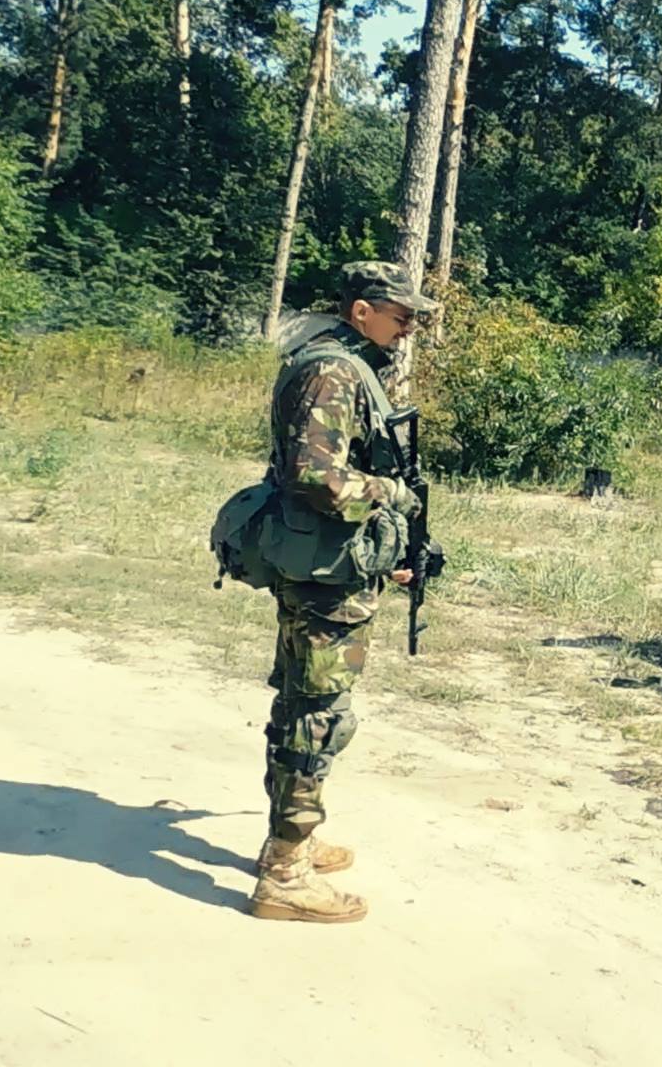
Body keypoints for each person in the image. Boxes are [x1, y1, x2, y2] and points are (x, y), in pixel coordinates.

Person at [251, 262, 432, 924]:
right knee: (320, 712)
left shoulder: (344, 364)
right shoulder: (331, 371)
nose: (410, 329)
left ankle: (290, 838)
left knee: (302, 699)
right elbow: (316, 477)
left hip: (325, 563)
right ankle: (285, 872)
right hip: (327, 572)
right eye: (401, 315)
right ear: (362, 311)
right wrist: (391, 495)